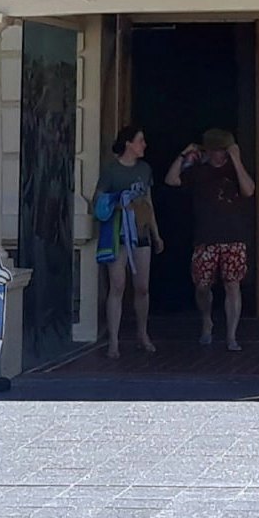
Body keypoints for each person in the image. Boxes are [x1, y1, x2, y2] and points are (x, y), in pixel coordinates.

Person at [166, 127, 255, 351]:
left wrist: (236, 159)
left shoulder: (235, 168)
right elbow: (171, 180)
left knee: (232, 285)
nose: (221, 155)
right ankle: (207, 319)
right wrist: (183, 155)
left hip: (233, 235)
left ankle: (231, 335)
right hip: (206, 236)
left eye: (224, 150)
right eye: (218, 150)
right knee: (202, 285)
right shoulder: (198, 170)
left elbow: (249, 190)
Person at [93, 124, 162, 358]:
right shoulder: (111, 171)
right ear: (128, 144)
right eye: (140, 140)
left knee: (142, 287)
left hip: (141, 234)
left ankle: (142, 333)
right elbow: (98, 201)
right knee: (118, 286)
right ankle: (113, 341)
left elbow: (149, 203)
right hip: (118, 234)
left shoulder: (145, 169)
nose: (144, 145)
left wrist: (156, 234)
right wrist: (117, 201)